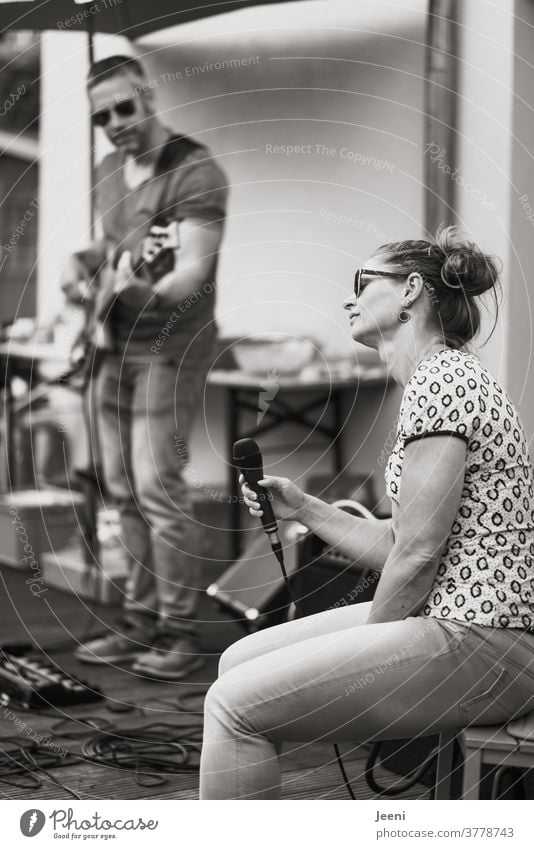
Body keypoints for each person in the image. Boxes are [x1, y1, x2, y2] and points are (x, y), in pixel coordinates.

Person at [199, 226, 534, 799]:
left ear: (409, 291)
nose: (349, 297)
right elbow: (404, 540)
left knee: (234, 708)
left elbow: (419, 552)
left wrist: (361, 654)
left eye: (362, 281)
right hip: (457, 621)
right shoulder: (440, 377)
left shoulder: (443, 382)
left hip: (489, 639)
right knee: (236, 663)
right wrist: (304, 507)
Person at [61, 55, 227, 680]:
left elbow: (192, 270)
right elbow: (113, 248)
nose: (114, 124)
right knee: (117, 486)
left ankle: (181, 633)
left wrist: (135, 292)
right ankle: (140, 623)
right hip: (110, 346)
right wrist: (82, 264)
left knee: (159, 487)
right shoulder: (109, 170)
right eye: (101, 116)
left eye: (123, 108)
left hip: (169, 348)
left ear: (148, 97)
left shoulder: (196, 169)